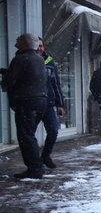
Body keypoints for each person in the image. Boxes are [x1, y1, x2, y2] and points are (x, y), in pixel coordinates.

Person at [2, 33, 48, 179]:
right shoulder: (39, 59)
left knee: (26, 136)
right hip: (40, 100)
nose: (16, 40)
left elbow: (11, 80)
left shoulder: (20, 59)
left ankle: (35, 168)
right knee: (29, 135)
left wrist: (5, 83)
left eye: (19, 40)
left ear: (25, 44)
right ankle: (37, 166)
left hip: (27, 101)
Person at [36, 39, 66, 169]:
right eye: (37, 46)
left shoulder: (49, 62)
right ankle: (34, 162)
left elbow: (56, 84)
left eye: (41, 46)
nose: (40, 49)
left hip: (48, 103)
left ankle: (46, 155)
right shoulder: (23, 59)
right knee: (28, 134)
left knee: (53, 130)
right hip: (32, 102)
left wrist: (60, 104)